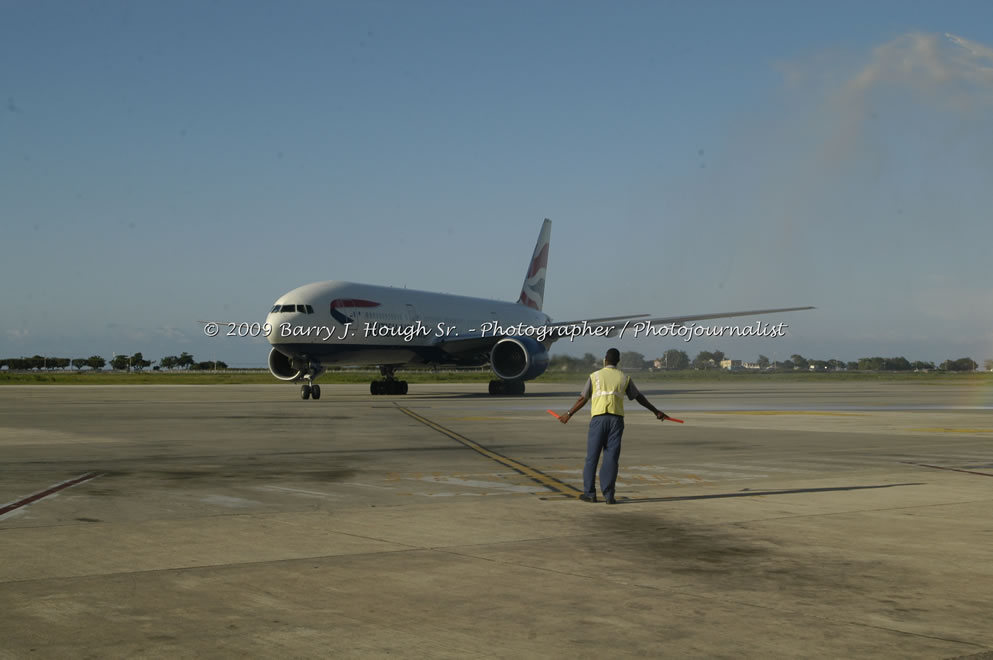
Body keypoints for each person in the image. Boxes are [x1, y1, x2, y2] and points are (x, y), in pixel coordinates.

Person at [559, 348, 669, 504]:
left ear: (605, 360)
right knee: (611, 458)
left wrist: (568, 414)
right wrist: (656, 412)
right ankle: (609, 495)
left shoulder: (595, 376)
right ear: (618, 361)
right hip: (616, 421)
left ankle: (590, 494)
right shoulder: (624, 378)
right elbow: (639, 398)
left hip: (598, 420)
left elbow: (582, 399)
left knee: (592, 458)